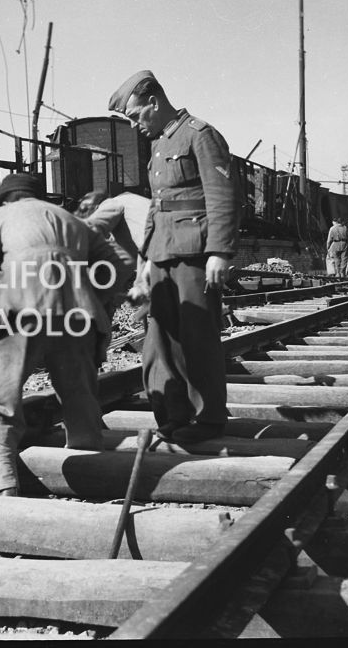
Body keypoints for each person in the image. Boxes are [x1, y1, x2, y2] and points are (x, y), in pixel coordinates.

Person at [0, 173, 128, 496]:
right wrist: (85, 292)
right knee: (80, 397)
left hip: (19, 308)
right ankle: (90, 476)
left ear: (6, 198)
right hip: (78, 315)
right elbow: (118, 265)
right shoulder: (75, 222)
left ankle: (4, 488)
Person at [108, 70, 241, 444]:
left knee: (198, 337)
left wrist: (219, 251)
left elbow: (222, 195)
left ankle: (209, 419)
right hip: (164, 254)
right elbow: (156, 209)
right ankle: (174, 416)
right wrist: (146, 261)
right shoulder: (158, 146)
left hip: (196, 254)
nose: (136, 125)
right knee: (160, 341)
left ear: (153, 101)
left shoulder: (200, 135)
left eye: (136, 116)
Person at [75, 188, 152, 305]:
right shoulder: (132, 203)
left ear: (96, 208)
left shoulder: (111, 203)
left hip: (154, 253)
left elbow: (91, 229)